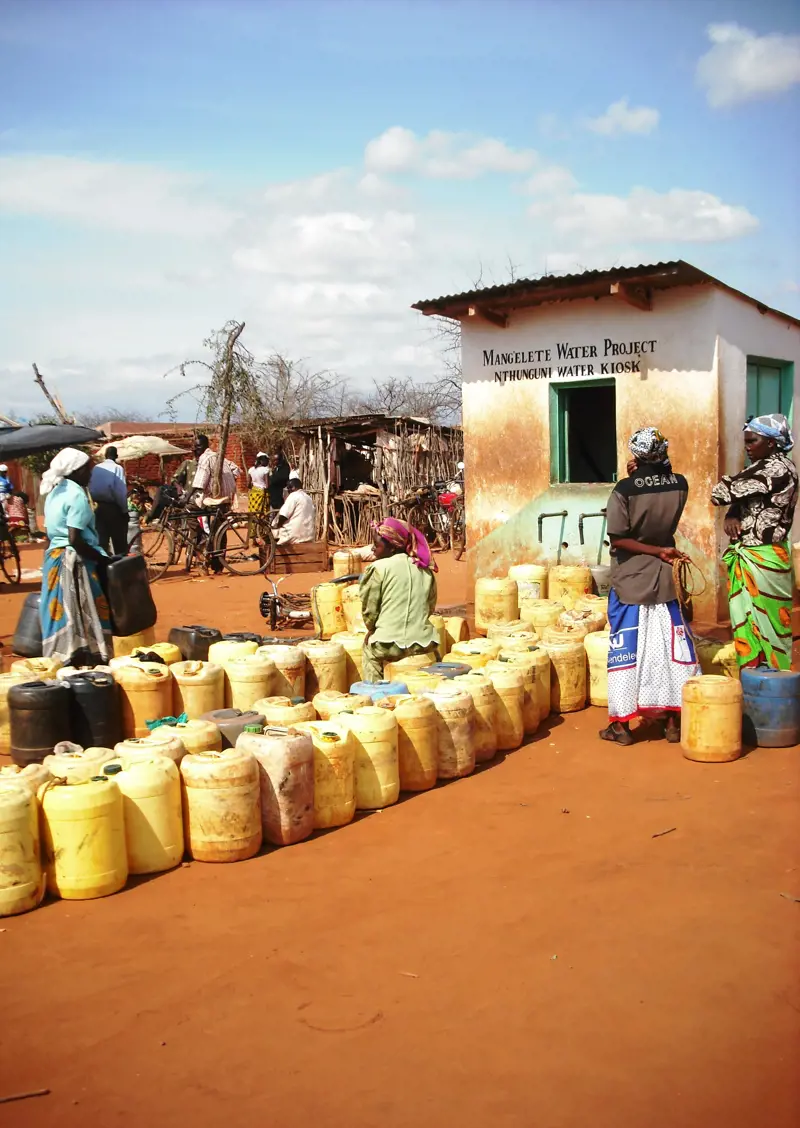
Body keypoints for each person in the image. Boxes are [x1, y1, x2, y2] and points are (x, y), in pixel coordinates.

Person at [602, 427, 699, 746]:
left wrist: (654, 549)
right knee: (671, 648)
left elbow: (619, 539)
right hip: (665, 577)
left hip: (632, 578)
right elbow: (662, 479)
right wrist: (661, 550)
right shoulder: (680, 484)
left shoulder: (624, 490)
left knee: (628, 648)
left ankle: (622, 725)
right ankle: (672, 721)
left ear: (636, 454)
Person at [711, 413, 798, 670]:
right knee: (749, 623)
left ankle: (776, 690)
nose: (747, 446)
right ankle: (754, 687)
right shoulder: (761, 466)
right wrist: (733, 513)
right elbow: (744, 497)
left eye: (752, 441)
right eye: (746, 441)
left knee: (771, 626)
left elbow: (720, 493)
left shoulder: (776, 469)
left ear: (771, 442)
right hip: (751, 555)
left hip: (765, 557)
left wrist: (729, 492)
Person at [39, 448, 112, 667]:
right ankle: (86, 658)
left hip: (54, 558)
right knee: (86, 610)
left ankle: (58, 661)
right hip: (74, 561)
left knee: (58, 611)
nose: (91, 473)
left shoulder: (56, 491)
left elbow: (49, 532)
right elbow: (75, 538)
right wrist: (101, 560)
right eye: (88, 469)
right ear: (77, 471)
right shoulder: (77, 495)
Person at [359, 517, 440, 683]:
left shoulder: (378, 569)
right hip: (424, 643)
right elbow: (430, 607)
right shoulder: (424, 569)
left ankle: (376, 697)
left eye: (377, 545)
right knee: (436, 658)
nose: (373, 549)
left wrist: (371, 630)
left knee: (369, 652)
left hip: (389, 646)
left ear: (393, 547)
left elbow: (370, 609)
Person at [90, 446, 129, 555]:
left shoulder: (96, 468)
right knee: (119, 541)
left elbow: (91, 486)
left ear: (105, 456)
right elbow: (120, 492)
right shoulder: (118, 468)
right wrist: (124, 511)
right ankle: (120, 566)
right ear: (116, 456)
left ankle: (103, 567)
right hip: (112, 508)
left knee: (101, 540)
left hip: (97, 507)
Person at [275, 477, 315, 545]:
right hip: (308, 536)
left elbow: (284, 516)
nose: (288, 490)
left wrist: (278, 525)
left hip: (292, 536)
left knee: (275, 527)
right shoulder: (308, 498)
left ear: (293, 487)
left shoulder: (293, 496)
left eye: (288, 488)